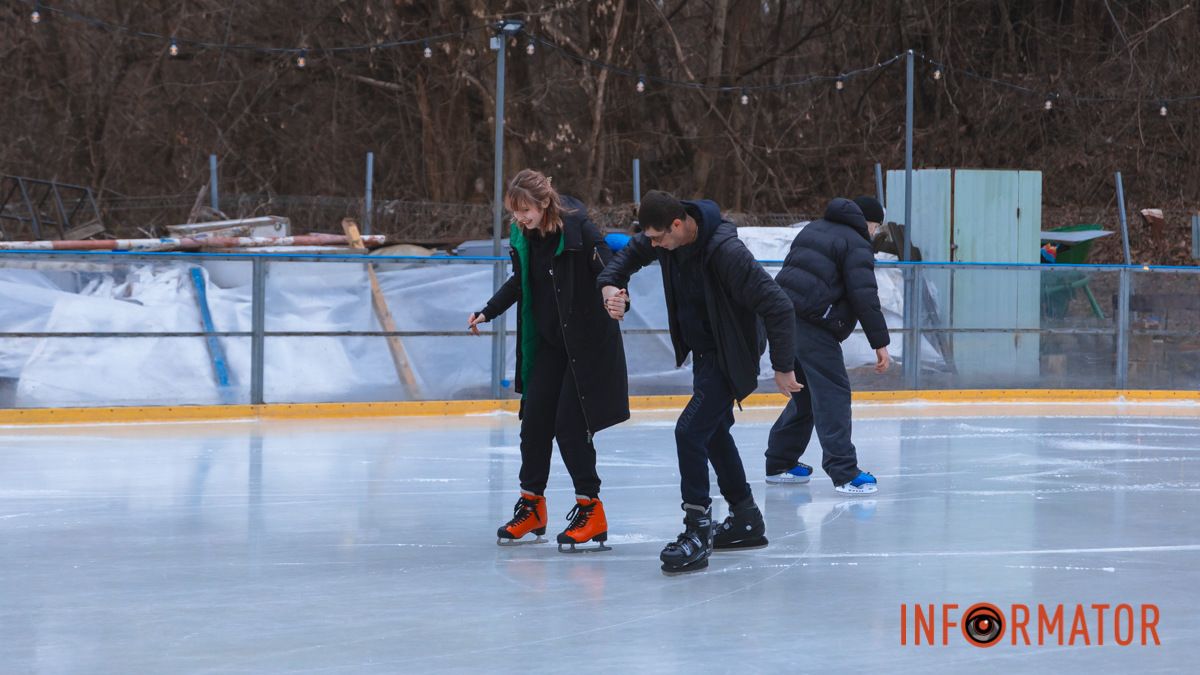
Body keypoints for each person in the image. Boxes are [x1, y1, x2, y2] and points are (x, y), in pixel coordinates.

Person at [597, 190, 800, 576]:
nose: (653, 246)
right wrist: (613, 293)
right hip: (705, 353)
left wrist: (783, 366)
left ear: (678, 224)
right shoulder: (665, 240)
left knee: (690, 432)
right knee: (712, 432)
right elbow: (618, 265)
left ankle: (697, 529)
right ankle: (746, 519)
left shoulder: (726, 253)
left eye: (658, 239)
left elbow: (778, 305)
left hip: (731, 354)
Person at [469, 169, 629, 552]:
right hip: (548, 345)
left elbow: (609, 268)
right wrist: (488, 311)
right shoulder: (526, 238)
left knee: (569, 426)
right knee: (535, 421)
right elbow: (521, 282)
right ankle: (533, 507)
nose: (520, 218)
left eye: (525, 210)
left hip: (585, 345)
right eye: (514, 212)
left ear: (544, 203)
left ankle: (591, 510)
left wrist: (616, 296)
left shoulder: (578, 229)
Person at [764, 196, 891, 494]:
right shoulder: (856, 242)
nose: (874, 233)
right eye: (876, 227)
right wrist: (880, 342)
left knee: (805, 395)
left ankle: (780, 462)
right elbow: (864, 295)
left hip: (783, 318)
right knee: (833, 395)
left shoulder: (814, 229)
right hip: (813, 326)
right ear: (868, 222)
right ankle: (844, 471)